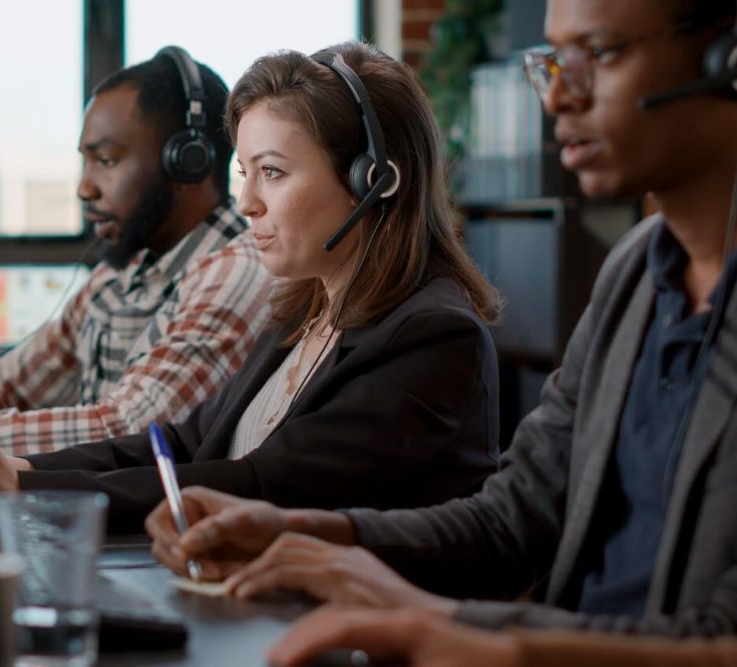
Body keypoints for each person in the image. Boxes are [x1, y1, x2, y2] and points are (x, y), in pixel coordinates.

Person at [147, 0, 737, 638]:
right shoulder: (634, 277)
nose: (560, 97)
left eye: (599, 53)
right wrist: (307, 532)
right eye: (553, 63)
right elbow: (509, 521)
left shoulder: (433, 328)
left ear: (725, 57)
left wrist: (461, 633)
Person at [0, 41, 501, 533]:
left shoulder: (432, 335)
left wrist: (30, 490)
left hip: (367, 629)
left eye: (271, 172)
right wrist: (25, 466)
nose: (247, 202)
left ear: (373, 180)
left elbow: (264, 484)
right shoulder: (302, 314)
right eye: (244, 172)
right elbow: (182, 442)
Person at [0, 47, 273, 456]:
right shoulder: (120, 272)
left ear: (187, 163)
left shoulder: (236, 272)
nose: (83, 188)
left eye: (106, 160)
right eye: (86, 162)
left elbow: (128, 428)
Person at [268, 607, 737, 667]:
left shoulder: (439, 330)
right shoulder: (615, 325)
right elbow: (514, 511)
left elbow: (719, 633)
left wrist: (455, 620)